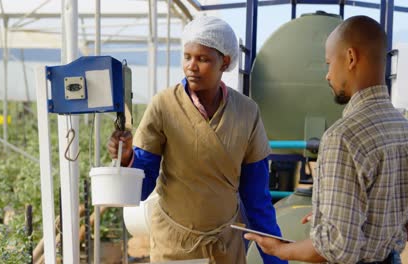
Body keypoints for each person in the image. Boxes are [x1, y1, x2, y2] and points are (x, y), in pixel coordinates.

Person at [245, 15, 408, 263]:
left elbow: (336, 248)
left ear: (351, 58)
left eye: (329, 63)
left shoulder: (343, 137)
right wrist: (341, 219)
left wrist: (279, 249)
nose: (327, 75)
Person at [108, 16, 286, 264]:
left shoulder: (247, 112)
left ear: (224, 62)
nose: (191, 66)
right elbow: (143, 186)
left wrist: (276, 259)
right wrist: (127, 158)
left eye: (203, 59)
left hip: (225, 245)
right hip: (175, 245)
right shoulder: (164, 106)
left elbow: (256, 197)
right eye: (187, 56)